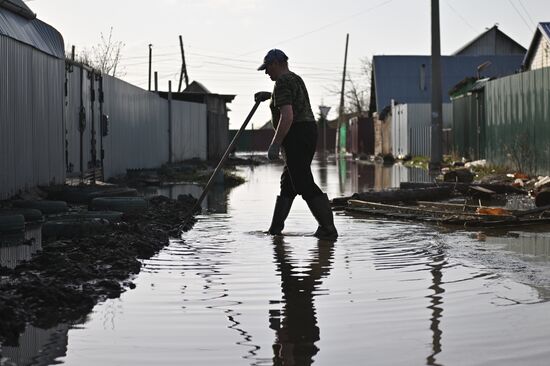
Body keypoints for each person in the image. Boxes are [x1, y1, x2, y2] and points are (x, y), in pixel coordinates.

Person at [257, 49, 337, 240]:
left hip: (296, 134)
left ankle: (327, 228)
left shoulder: (282, 82)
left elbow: (288, 115)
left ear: (275, 63)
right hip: (307, 131)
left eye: (267, 68)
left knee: (301, 181)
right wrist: (270, 96)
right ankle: (275, 230)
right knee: (289, 184)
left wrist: (275, 143)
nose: (267, 73)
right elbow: (293, 102)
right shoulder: (294, 78)